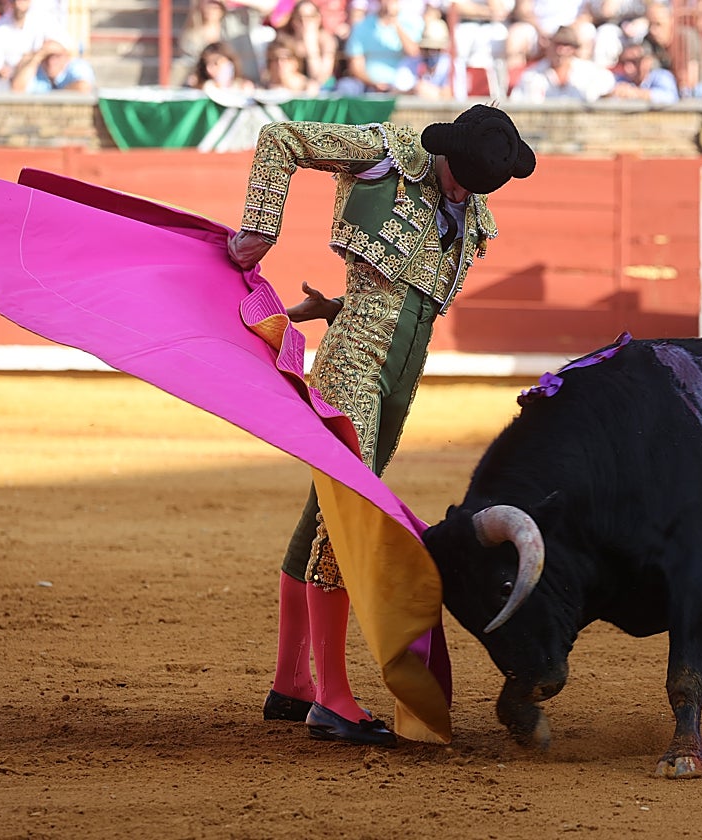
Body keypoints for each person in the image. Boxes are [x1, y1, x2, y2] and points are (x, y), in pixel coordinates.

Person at [227, 104, 536, 746]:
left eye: (476, 188)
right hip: (356, 366)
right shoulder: (387, 154)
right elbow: (281, 136)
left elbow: (404, 293)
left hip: (402, 374)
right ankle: (332, 699)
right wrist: (262, 229)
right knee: (352, 511)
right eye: (460, 180)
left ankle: (292, 683)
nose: (462, 193)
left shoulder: (471, 202)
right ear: (444, 153)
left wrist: (334, 305)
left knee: (326, 512)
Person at [508, 23, 614, 103]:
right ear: (549, 46)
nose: (561, 51)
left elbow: (608, 91)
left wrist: (610, 94)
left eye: (567, 45)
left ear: (574, 49)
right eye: (557, 44)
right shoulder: (531, 75)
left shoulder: (592, 73)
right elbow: (518, 103)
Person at [334, 0, 422, 95]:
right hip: (367, 85)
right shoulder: (362, 26)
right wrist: (374, 84)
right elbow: (356, 65)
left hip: (401, 83)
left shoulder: (412, 21)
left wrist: (394, 22)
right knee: (345, 87)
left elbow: (413, 52)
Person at [0, 0, 68, 90]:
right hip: (8, 80)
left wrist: (35, 57)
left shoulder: (42, 19)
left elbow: (63, 46)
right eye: (14, 1)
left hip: (37, 75)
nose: (18, 4)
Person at [272, 0, 336, 92]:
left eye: (310, 17)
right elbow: (280, 73)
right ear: (293, 20)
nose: (305, 22)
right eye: (300, 18)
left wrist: (311, 45)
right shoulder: (285, 40)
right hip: (293, 86)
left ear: (318, 18)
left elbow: (321, 78)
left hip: (323, 88)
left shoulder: (326, 41)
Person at [10, 35, 95, 92]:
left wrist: (54, 96)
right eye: (46, 56)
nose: (51, 61)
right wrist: (37, 56)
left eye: (56, 56)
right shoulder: (38, 70)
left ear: (66, 56)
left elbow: (83, 87)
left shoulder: (78, 66)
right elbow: (17, 88)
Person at [395, 14, 452, 98]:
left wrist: (435, 93)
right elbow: (395, 91)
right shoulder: (410, 63)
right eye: (428, 48)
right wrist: (414, 90)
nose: (431, 53)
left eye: (436, 49)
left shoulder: (449, 65)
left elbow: (453, 95)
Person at [608, 37, 677, 105]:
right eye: (624, 62)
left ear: (648, 61)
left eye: (634, 62)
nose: (627, 68)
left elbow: (671, 98)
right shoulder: (620, 79)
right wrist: (611, 93)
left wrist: (637, 93)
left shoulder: (662, 76)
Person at [184, 40, 255, 93]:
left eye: (216, 63)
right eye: (206, 64)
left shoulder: (242, 86)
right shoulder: (202, 87)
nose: (209, 69)